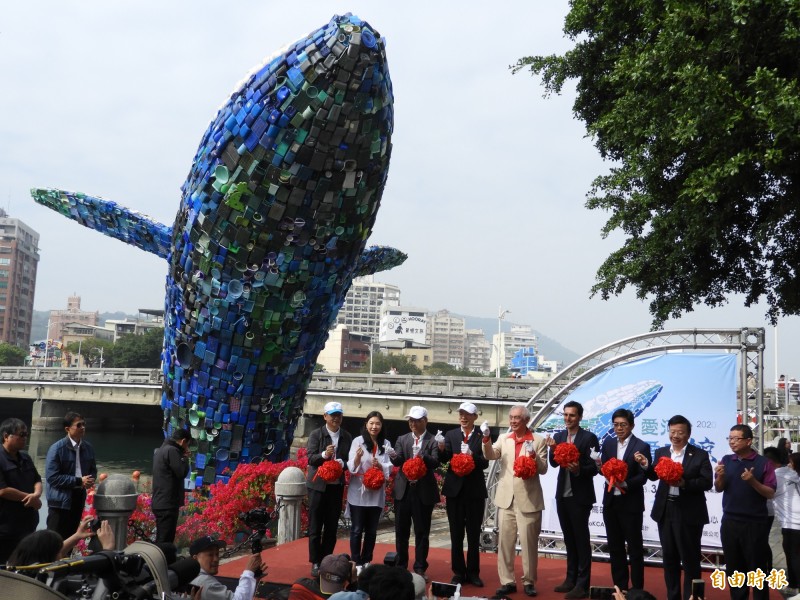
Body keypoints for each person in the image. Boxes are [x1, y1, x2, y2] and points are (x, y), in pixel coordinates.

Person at [483, 404, 548, 598]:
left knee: (528, 543)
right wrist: (486, 439)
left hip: (529, 499)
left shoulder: (538, 441)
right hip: (506, 499)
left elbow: (543, 469)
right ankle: (507, 581)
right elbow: (491, 455)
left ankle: (529, 581)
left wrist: (534, 457)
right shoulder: (504, 438)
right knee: (505, 543)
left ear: (526, 420)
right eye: (511, 417)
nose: (513, 421)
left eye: (517, 418)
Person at [644, 415, 712, 600]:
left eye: (680, 432)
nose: (675, 436)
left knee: (690, 560)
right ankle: (673, 596)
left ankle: (692, 597)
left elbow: (706, 482)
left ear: (688, 434)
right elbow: (653, 476)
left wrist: (684, 483)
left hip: (689, 512)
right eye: (672, 432)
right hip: (666, 510)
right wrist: (645, 465)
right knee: (669, 559)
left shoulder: (699, 455)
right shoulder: (661, 452)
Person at [545, 401, 600, 599]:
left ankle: (583, 584)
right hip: (563, 495)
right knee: (569, 539)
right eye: (566, 415)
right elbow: (552, 463)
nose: (568, 419)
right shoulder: (559, 436)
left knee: (581, 540)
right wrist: (553, 448)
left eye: (572, 415)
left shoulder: (589, 438)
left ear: (580, 417)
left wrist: (579, 470)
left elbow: (595, 468)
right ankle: (570, 579)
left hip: (580, 497)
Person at [714, 424, 776, 600]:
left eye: (736, 438)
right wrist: (720, 476)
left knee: (757, 569)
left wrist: (752, 482)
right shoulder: (726, 460)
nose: (732, 442)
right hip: (730, 522)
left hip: (755, 524)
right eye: (730, 438)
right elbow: (718, 488)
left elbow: (770, 493)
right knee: (734, 570)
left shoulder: (764, 463)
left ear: (749, 441)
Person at [438, 401, 489, 588]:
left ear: (475, 416)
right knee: (456, 533)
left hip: (475, 492)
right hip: (455, 492)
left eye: (467, 414)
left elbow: (485, 462)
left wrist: (472, 456)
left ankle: (474, 573)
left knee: (474, 534)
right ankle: (458, 572)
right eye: (461, 414)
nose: (463, 417)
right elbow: (444, 460)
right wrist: (441, 449)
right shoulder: (451, 434)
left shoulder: (481, 435)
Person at [602, 408, 651, 592]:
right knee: (615, 548)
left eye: (623, 424)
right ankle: (620, 587)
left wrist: (625, 484)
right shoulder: (608, 444)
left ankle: (637, 589)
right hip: (611, 503)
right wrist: (604, 471)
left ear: (631, 425)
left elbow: (644, 475)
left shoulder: (641, 446)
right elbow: (603, 468)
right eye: (616, 425)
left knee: (635, 549)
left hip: (631, 504)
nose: (619, 428)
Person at [391, 406, 440, 580]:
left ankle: (420, 567)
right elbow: (398, 461)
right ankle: (401, 566)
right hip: (403, 491)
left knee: (421, 532)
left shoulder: (433, 440)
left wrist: (423, 457)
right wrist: (392, 455)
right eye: (410, 420)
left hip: (423, 492)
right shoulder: (402, 439)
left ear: (425, 421)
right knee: (401, 531)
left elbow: (435, 462)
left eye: (417, 420)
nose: (412, 423)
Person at [306, 402, 353, 576]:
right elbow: (310, 458)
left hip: (336, 487)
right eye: (332, 415)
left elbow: (351, 461)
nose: (336, 418)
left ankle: (327, 560)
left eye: (338, 415)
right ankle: (316, 561)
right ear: (325, 416)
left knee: (332, 526)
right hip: (317, 487)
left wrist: (344, 464)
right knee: (315, 526)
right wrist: (324, 455)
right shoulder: (316, 434)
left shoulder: (346, 437)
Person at [347, 411, 393, 571]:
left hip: (376, 492)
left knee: (372, 530)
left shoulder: (385, 443)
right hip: (359, 491)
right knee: (357, 529)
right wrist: (358, 459)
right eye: (371, 423)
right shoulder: (357, 442)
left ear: (381, 426)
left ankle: (367, 559)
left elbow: (389, 465)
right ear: (366, 424)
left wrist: (381, 466)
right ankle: (355, 561)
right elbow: (351, 467)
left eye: (378, 424)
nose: (374, 426)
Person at [45, 411, 97, 539]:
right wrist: (79, 481)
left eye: (84, 424)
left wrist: (90, 479)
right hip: (60, 500)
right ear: (67, 429)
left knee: (72, 536)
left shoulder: (88, 447)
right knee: (54, 538)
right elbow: (52, 478)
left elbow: (93, 470)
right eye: (78, 425)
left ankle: (67, 559)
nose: (83, 428)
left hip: (78, 497)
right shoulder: (57, 449)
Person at [0, 418, 42, 563]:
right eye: (21, 435)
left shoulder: (26, 457)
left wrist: (36, 495)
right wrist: (31, 499)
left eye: (26, 434)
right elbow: (3, 490)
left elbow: (37, 479)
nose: (25, 438)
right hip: (5, 528)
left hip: (27, 525)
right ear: (6, 436)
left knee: (24, 566)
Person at [7, 516, 115, 571]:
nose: (62, 555)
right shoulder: (47, 583)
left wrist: (77, 536)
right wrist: (107, 549)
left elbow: (51, 553)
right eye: (58, 552)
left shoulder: (14, 570)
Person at [189, 535, 263, 600]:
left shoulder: (190, 577)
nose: (216, 559)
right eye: (210, 555)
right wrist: (248, 572)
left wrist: (253, 577)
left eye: (217, 554)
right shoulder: (206, 583)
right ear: (195, 558)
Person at [152, 428, 192, 543]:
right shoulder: (172, 451)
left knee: (162, 536)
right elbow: (181, 472)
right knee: (165, 539)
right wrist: (185, 458)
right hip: (167, 503)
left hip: (160, 501)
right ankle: (163, 560)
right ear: (183, 441)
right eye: (187, 444)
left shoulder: (161, 449)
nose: (187, 447)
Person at [772, 452, 800, 600]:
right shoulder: (795, 475)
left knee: (792, 555)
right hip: (793, 521)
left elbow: (770, 492)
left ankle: (795, 586)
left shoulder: (779, 474)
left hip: (792, 522)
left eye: (791, 462)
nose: (788, 465)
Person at [290, 553, 357, 600]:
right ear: (347, 578)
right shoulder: (347, 597)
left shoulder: (300, 586)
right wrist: (354, 582)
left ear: (319, 572)